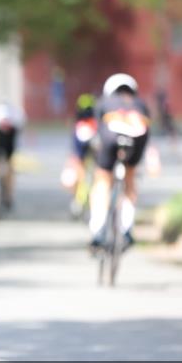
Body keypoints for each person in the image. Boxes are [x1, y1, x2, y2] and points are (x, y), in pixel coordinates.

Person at [89, 73, 151, 250]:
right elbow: (148, 130)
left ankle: (98, 231)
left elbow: (96, 132)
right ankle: (127, 229)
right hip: (137, 139)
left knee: (102, 181)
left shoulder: (104, 103)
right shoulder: (140, 105)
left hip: (110, 138)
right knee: (130, 180)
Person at [62, 93, 99, 216]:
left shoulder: (78, 124)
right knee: (89, 177)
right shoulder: (93, 122)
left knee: (82, 176)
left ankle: (79, 201)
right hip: (89, 151)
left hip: (81, 152)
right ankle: (81, 202)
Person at [0, 102, 26, 211]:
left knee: (9, 168)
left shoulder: (13, 124)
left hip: (8, 142)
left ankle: (7, 195)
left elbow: (13, 146)